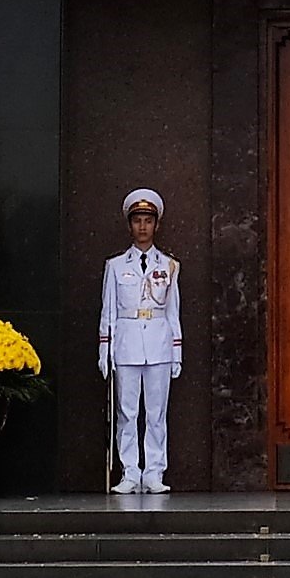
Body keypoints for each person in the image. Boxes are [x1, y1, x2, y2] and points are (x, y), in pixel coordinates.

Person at [97, 189, 183, 495]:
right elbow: (108, 310)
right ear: (130, 226)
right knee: (127, 412)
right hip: (127, 343)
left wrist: (177, 352)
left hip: (158, 343)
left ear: (156, 225)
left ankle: (154, 472)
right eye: (137, 221)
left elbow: (173, 311)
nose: (143, 227)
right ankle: (130, 471)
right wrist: (105, 350)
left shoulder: (169, 265)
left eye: (148, 221)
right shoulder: (116, 266)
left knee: (156, 413)